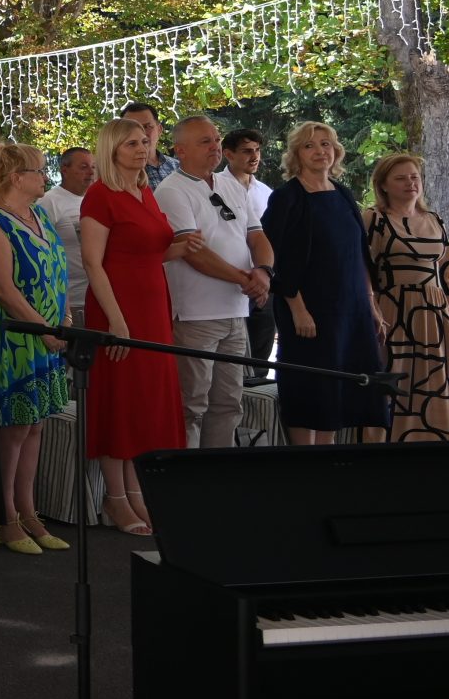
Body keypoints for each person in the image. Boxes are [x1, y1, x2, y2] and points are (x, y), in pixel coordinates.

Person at [80, 119, 192, 536]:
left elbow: (148, 253)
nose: (142, 149)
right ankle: (115, 497)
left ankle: (136, 492)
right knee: (121, 400)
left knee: (146, 400)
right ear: (112, 149)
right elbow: (93, 262)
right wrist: (116, 320)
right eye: (131, 143)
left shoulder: (144, 191)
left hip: (152, 308)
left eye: (145, 141)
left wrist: (182, 248)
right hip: (118, 308)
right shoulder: (100, 195)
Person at [263, 122, 392, 445]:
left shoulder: (343, 193)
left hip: (351, 308)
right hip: (309, 309)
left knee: (342, 385)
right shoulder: (287, 197)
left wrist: (371, 304)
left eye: (325, 144)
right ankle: (306, 462)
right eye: (309, 146)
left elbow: (359, 254)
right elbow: (277, 258)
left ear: (336, 151)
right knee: (309, 386)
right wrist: (298, 309)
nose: (320, 151)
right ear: (296, 154)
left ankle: (328, 454)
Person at [0, 143, 71, 556]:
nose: (45, 176)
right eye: (39, 170)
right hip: (14, 339)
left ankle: (29, 512)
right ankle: (4, 516)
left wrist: (64, 319)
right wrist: (43, 328)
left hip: (47, 336)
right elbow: (2, 289)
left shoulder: (39, 216)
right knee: (13, 428)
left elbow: (58, 273)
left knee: (35, 426)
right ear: (16, 176)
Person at [153, 117, 273, 449]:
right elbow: (193, 252)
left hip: (235, 311)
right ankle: (188, 474)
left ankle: (219, 472)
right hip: (196, 315)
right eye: (205, 141)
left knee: (228, 402)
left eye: (217, 139)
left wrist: (264, 272)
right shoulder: (171, 190)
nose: (215, 146)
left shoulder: (231, 184)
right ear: (180, 150)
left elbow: (257, 235)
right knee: (192, 404)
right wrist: (247, 280)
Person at [365, 153, 449, 442]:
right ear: (383, 185)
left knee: (438, 380)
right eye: (401, 178)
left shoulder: (435, 220)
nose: (410, 183)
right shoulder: (374, 219)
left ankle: (437, 446)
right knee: (395, 380)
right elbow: (363, 268)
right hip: (393, 311)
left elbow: (447, 274)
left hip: (436, 313)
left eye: (414, 177)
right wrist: (372, 308)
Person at [221, 128, 275, 379]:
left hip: (264, 280)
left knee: (261, 349)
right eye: (246, 151)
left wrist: (265, 274)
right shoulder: (215, 188)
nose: (254, 156)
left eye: (257, 150)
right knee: (233, 357)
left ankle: (258, 395)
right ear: (228, 154)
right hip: (230, 281)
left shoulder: (265, 192)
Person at [37, 147, 95, 327]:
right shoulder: (48, 202)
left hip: (98, 296)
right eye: (83, 167)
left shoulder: (95, 199)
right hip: (71, 301)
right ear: (64, 169)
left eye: (93, 167)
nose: (91, 172)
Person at [121, 102, 180, 187]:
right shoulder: (116, 175)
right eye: (131, 128)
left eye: (146, 126)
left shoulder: (178, 167)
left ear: (159, 130)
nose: (140, 134)